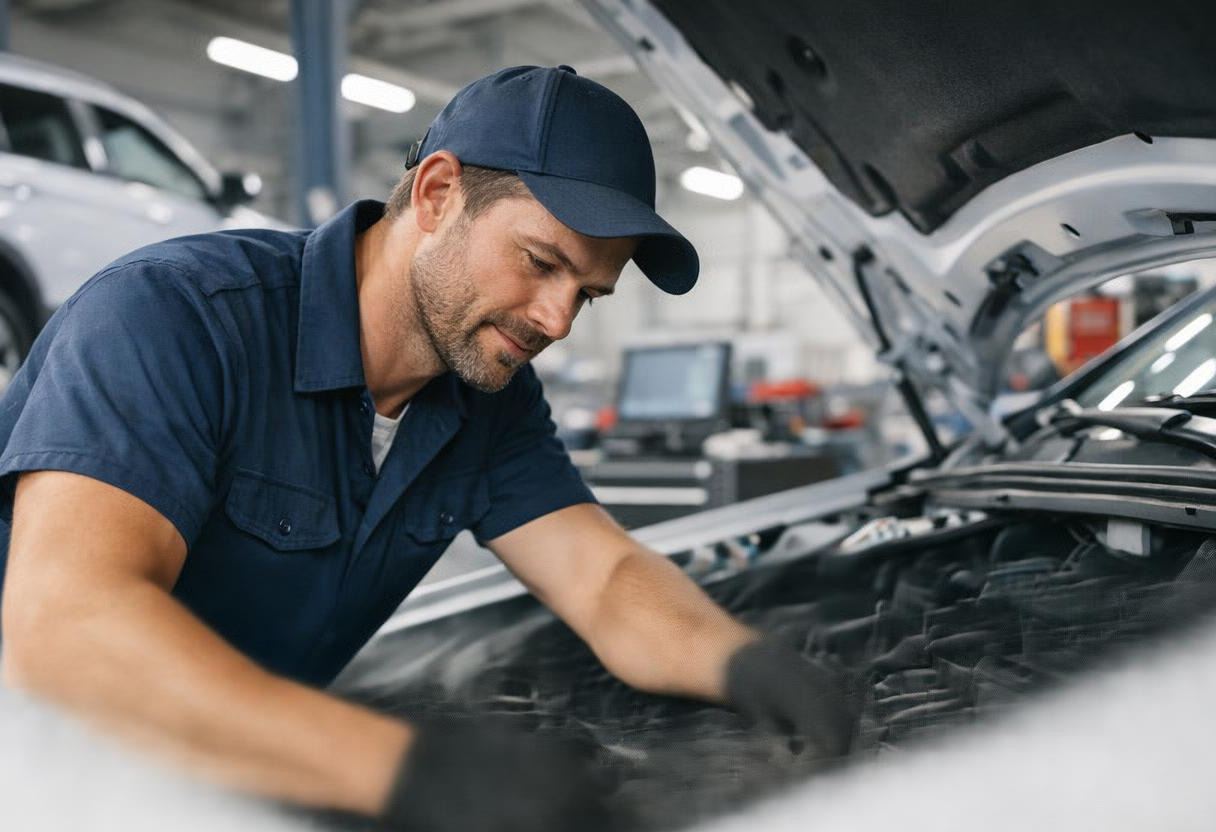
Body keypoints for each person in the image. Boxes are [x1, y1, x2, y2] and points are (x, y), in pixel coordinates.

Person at [0, 65, 852, 829]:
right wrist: (398, 768)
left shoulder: (491, 402)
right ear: (438, 193)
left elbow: (603, 575)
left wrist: (743, 663)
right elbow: (63, 625)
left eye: (587, 295)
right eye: (540, 262)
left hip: (226, 779)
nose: (555, 320)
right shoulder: (175, 320)